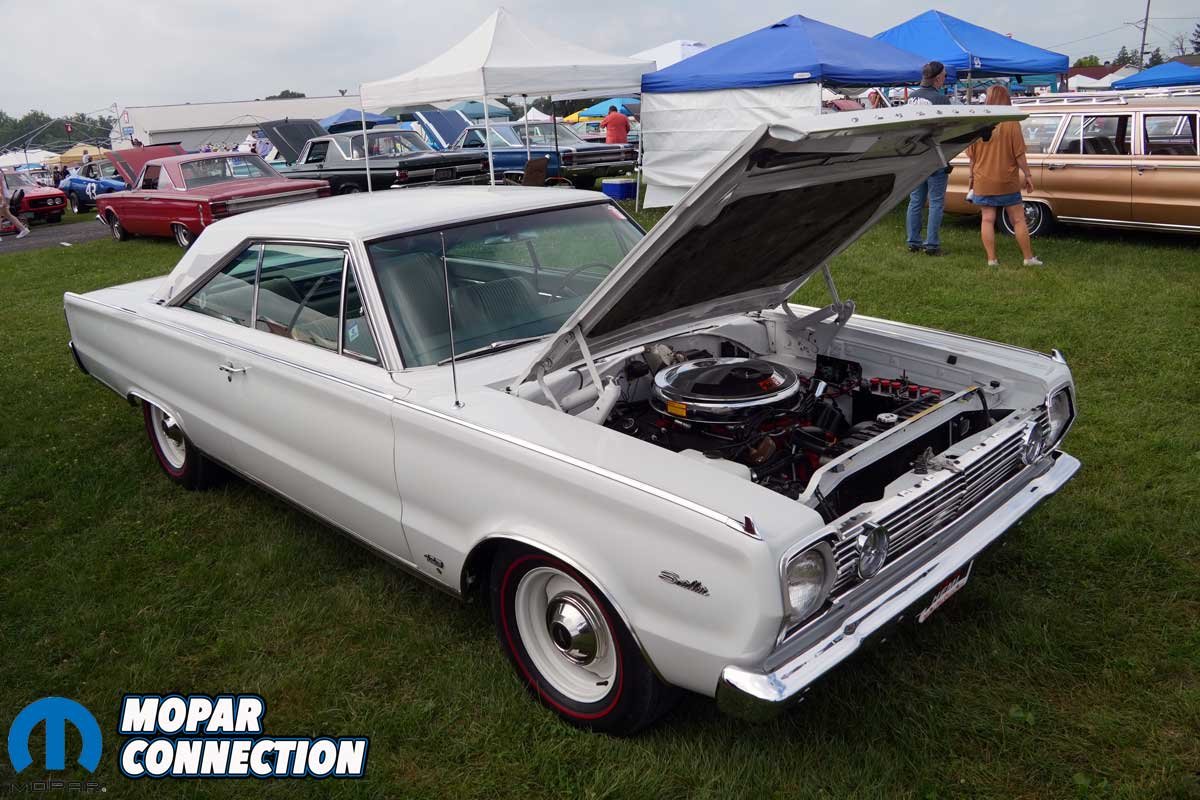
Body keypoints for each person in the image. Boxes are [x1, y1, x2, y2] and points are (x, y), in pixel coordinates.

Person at [966, 85, 1041, 266]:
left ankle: (991, 259)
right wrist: (1028, 175)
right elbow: (1019, 155)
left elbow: (972, 158)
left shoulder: (978, 123)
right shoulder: (1012, 122)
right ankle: (1028, 258)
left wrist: (971, 179)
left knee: (987, 219)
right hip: (1007, 180)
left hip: (982, 179)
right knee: (1018, 219)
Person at [904, 62, 951, 255]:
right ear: (938, 78)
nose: (945, 79)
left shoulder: (911, 98)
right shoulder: (941, 99)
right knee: (936, 202)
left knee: (915, 200)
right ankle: (932, 244)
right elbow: (949, 130)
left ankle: (913, 240)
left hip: (916, 156)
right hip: (936, 155)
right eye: (945, 76)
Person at [0, 172, 31, 240]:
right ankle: (23, 229)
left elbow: (1, 187)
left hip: (2, 197)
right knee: (8, 215)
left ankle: (23, 229)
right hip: (4, 196)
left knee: (3, 215)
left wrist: (3, 199)